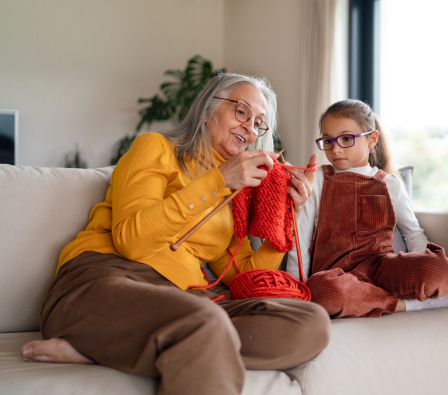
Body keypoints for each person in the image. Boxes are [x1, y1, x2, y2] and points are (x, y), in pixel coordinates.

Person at [20, 73, 331, 394]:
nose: (250, 128)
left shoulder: (233, 191)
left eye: (258, 123)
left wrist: (285, 215)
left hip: (186, 299)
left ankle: (106, 349)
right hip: (108, 279)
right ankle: (159, 340)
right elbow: (132, 240)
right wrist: (218, 182)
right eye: (241, 111)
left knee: (310, 324)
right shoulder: (156, 148)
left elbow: (248, 280)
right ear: (209, 108)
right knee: (205, 321)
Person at [286, 99, 448, 318]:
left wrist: (422, 265)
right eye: (328, 140)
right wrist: (295, 287)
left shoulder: (389, 183)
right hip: (336, 277)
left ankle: (367, 300)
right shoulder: (318, 179)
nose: (335, 148)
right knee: (322, 292)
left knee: (442, 269)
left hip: (382, 269)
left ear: (372, 139)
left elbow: (412, 232)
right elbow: (300, 237)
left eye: (346, 138)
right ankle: (409, 305)